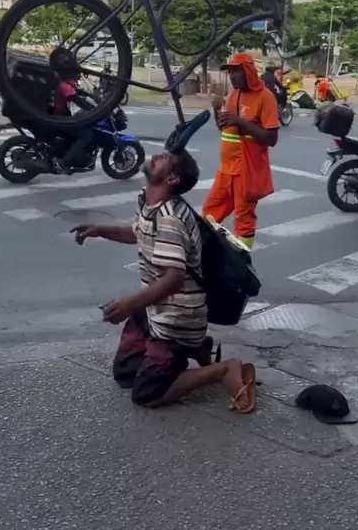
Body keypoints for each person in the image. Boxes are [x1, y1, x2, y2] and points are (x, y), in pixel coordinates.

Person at [72, 149, 255, 411]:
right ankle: (196, 348)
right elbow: (137, 232)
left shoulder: (170, 218)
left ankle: (222, 369)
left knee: (146, 394)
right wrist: (100, 230)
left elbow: (174, 278)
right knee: (126, 374)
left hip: (176, 318)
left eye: (165, 159)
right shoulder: (148, 201)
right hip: (154, 309)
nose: (157, 155)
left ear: (172, 179)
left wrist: (129, 304)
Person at [202, 52, 279, 250]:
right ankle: (209, 255)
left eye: (236, 71)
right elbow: (224, 128)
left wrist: (240, 122)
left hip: (247, 169)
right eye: (230, 73)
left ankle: (242, 259)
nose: (232, 76)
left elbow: (272, 138)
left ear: (248, 72)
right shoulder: (234, 94)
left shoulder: (266, 97)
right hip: (226, 169)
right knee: (209, 213)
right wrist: (216, 110)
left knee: (244, 219)